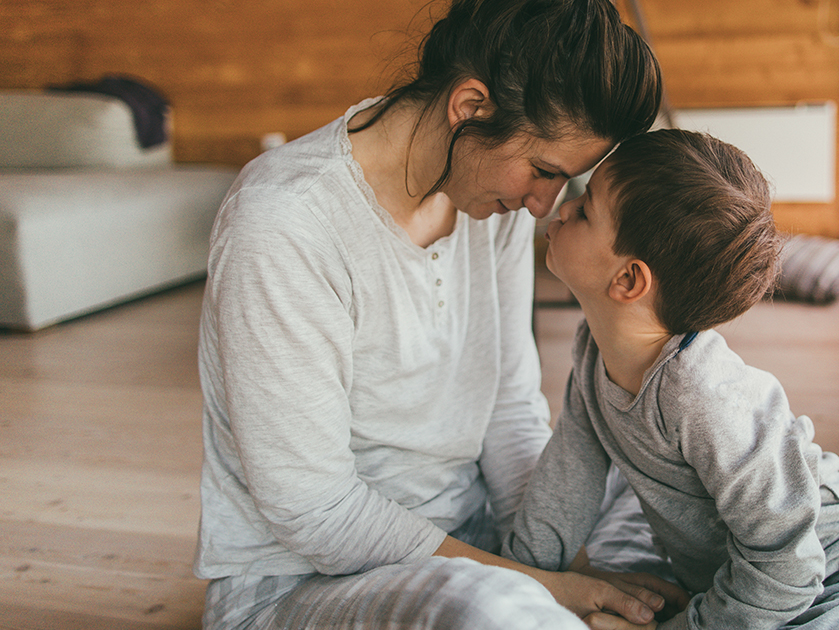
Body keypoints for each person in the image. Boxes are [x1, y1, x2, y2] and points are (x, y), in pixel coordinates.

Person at [193, 0, 687, 627]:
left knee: (672, 489)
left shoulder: (491, 205)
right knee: (490, 611)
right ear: (471, 108)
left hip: (475, 539)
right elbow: (312, 510)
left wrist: (567, 566)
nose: (544, 206)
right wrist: (545, 587)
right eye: (543, 171)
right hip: (305, 581)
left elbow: (508, 408)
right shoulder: (284, 224)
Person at [502, 129, 839, 629]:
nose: (562, 208)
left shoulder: (703, 395)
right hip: (736, 582)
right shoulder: (595, 352)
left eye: (586, 209)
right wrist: (520, 581)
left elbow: (789, 565)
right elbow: (565, 483)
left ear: (628, 280)